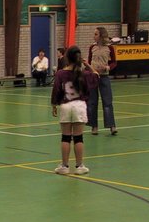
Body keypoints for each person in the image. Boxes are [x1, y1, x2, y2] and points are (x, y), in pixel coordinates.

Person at [50, 45, 98, 175]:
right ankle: (79, 166)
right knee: (78, 138)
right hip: (79, 105)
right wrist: (87, 65)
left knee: (65, 137)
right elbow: (96, 76)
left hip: (66, 105)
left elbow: (56, 90)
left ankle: (64, 166)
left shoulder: (60, 73)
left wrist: (54, 104)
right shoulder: (84, 73)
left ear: (67, 58)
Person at [87, 26, 118, 135]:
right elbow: (89, 62)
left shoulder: (110, 48)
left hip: (104, 77)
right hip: (93, 77)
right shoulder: (92, 47)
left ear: (101, 35)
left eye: (96, 34)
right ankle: (94, 126)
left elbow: (114, 62)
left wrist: (108, 67)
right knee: (92, 102)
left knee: (107, 102)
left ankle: (112, 125)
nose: (94, 36)